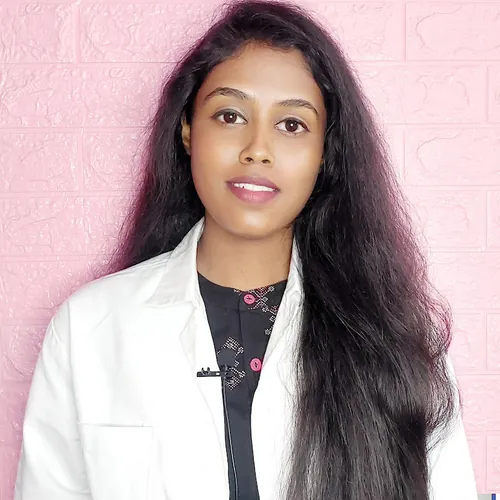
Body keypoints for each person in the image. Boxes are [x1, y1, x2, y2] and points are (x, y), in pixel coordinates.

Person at [14, 0, 478, 499]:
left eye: (292, 124)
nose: (257, 148)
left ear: (325, 152)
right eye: (230, 115)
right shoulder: (89, 328)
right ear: (188, 130)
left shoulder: (400, 339)